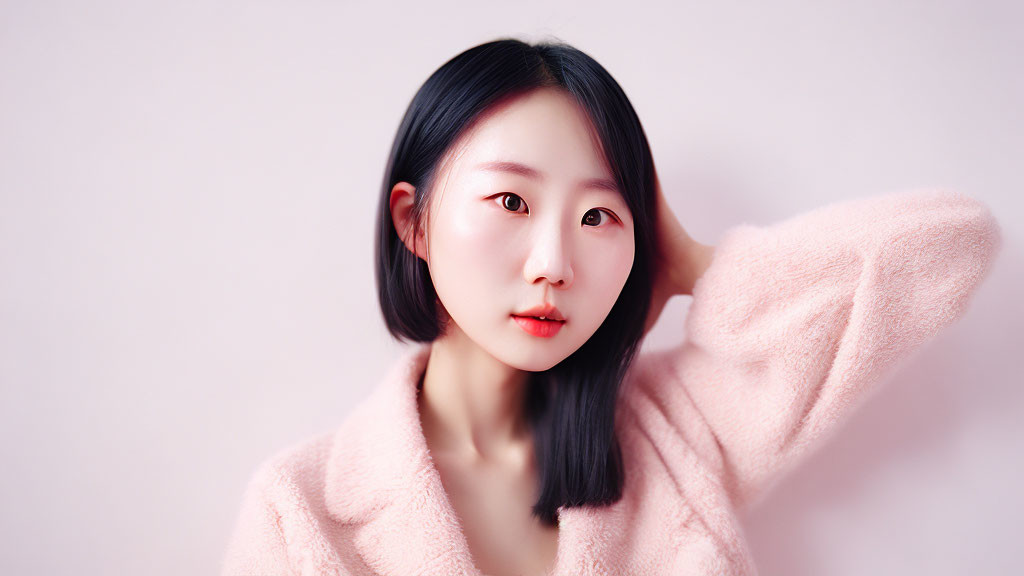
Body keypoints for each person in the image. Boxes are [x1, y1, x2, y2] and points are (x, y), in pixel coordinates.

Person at [220, 37, 1003, 576]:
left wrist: (695, 262)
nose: (554, 264)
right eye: (510, 201)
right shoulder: (302, 510)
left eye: (598, 217)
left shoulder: (676, 433)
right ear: (412, 219)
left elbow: (948, 246)